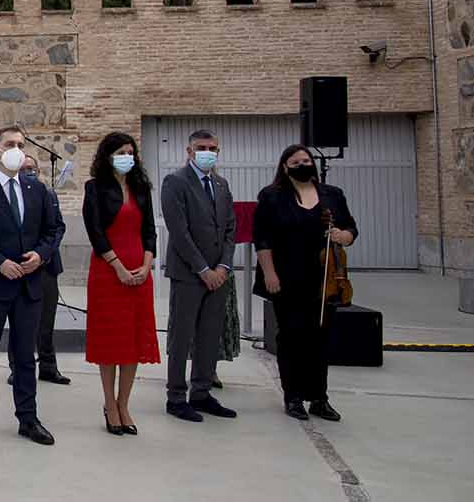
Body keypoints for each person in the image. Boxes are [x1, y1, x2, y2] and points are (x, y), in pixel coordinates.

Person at [0, 126, 63, 448]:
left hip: (29, 287)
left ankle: (28, 418)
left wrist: (42, 255)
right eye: (9, 144)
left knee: (24, 357)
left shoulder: (38, 189)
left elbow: (55, 228)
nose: (15, 149)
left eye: (20, 144)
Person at [254, 145, 357, 422]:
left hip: (325, 279)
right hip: (286, 276)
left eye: (306, 160)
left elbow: (351, 228)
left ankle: (319, 397)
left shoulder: (332, 195)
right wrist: (269, 274)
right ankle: (293, 396)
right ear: (285, 167)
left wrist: (343, 236)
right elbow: (262, 239)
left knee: (320, 338)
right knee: (291, 337)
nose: (303, 164)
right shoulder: (272, 196)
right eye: (296, 161)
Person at [82, 131, 160, 437]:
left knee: (133, 339)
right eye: (120, 152)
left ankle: (124, 402)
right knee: (111, 341)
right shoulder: (95, 188)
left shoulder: (141, 188)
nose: (127, 157)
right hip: (108, 271)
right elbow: (95, 231)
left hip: (140, 270)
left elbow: (150, 229)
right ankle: (109, 404)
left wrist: (146, 264)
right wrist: (118, 267)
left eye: (131, 152)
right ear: (108, 156)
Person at [161, 129, 238, 422]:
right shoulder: (176, 182)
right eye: (202, 147)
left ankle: (202, 392)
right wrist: (203, 269)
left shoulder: (221, 184)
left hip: (218, 275)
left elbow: (230, 228)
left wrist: (223, 268)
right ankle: (176, 396)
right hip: (189, 274)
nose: (209, 152)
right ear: (189, 151)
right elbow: (178, 231)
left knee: (209, 334)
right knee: (182, 335)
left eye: (213, 148)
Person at [7, 153, 70, 386]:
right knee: (20, 322)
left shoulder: (48, 194)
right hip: (20, 266)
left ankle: (48, 366)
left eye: (31, 168)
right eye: (23, 169)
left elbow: (57, 227)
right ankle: (18, 367)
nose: (28, 172)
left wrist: (44, 254)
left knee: (47, 321)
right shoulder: (10, 196)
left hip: (46, 267)